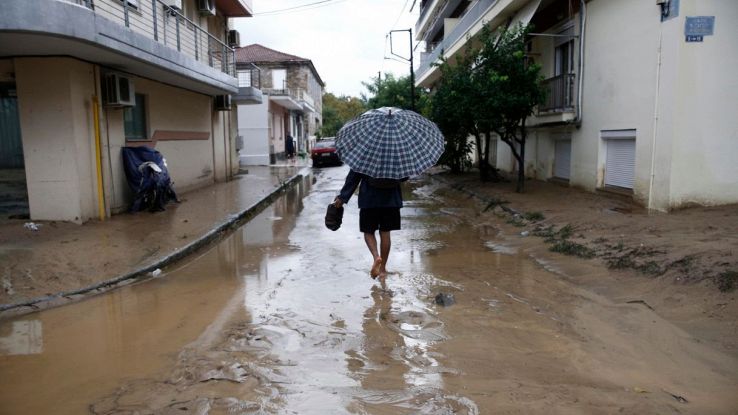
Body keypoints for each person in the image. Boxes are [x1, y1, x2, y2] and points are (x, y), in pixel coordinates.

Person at [333, 170, 406, 284]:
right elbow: (404, 177)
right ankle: (382, 269)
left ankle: (376, 257)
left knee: (368, 232)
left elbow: (354, 176)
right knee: (385, 233)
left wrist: (343, 197)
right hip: (391, 199)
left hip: (369, 199)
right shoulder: (396, 155)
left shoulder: (366, 154)